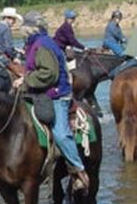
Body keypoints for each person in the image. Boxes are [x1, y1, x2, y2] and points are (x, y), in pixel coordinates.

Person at [13, 11, 90, 190]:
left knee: (61, 134)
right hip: (38, 91)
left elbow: (49, 73)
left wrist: (26, 80)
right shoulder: (34, 43)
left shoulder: (43, 45)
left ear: (30, 28)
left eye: (23, 27)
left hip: (56, 93)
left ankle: (78, 169)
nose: (21, 30)